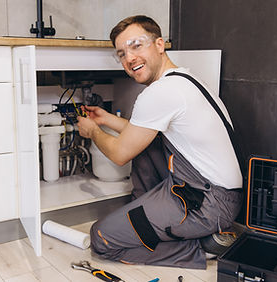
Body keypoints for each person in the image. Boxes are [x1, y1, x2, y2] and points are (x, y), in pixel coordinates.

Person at [76, 15, 242, 269]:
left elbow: (120, 154)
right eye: (121, 54)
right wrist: (106, 119)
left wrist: (92, 131)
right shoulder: (185, 80)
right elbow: (139, 132)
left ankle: (203, 247)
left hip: (206, 204)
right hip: (211, 194)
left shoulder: (161, 92)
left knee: (102, 238)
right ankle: (145, 217)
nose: (129, 58)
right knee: (147, 143)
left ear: (160, 44)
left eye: (136, 46)